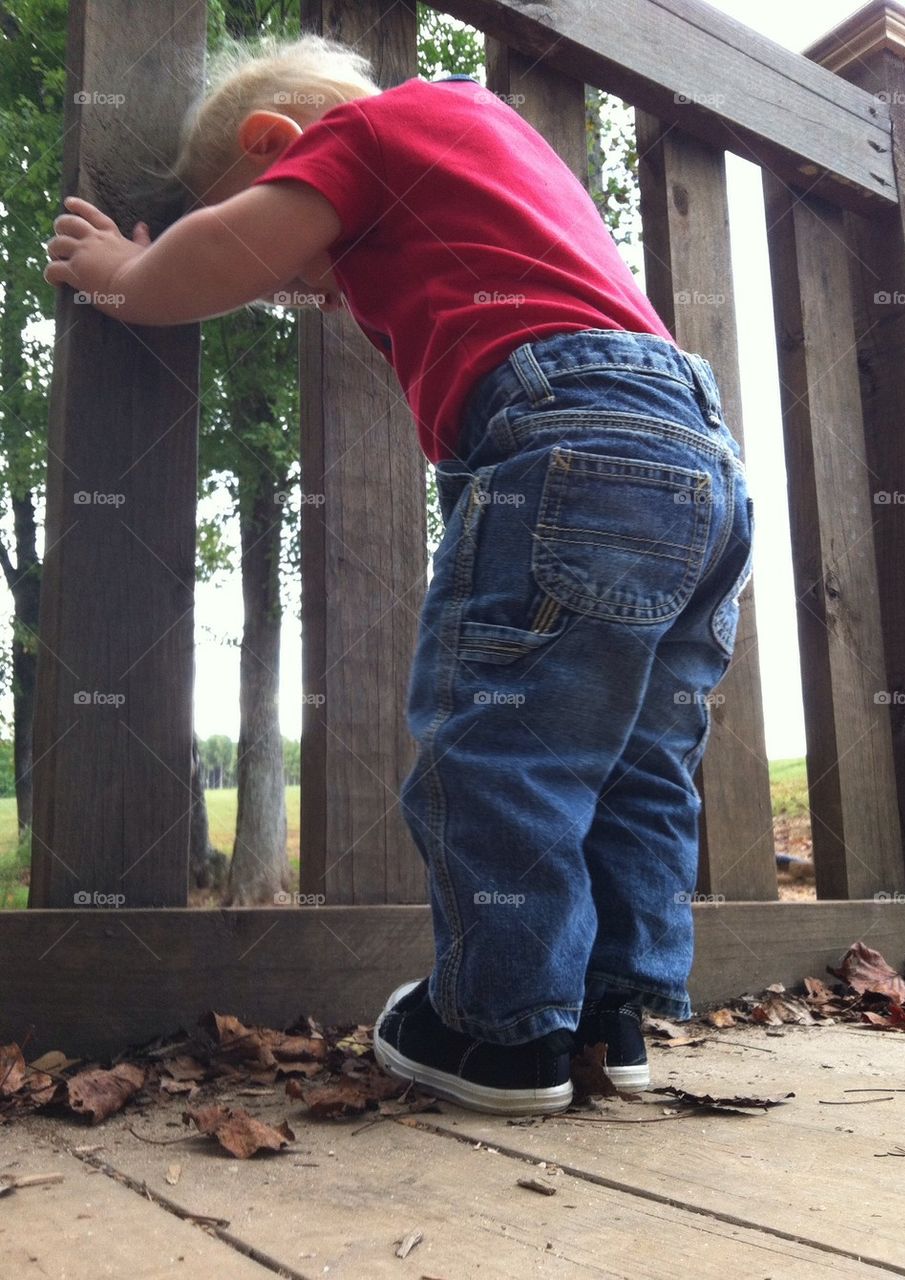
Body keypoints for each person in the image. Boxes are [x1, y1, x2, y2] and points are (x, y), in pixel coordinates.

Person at [44, 34, 755, 1117]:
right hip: (699, 464)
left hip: (562, 441)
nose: (304, 293)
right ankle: (608, 1012)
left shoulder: (358, 134)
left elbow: (221, 249)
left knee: (502, 745)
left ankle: (499, 1027)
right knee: (635, 755)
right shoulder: (484, 142)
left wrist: (129, 278)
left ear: (274, 144)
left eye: (295, 275)